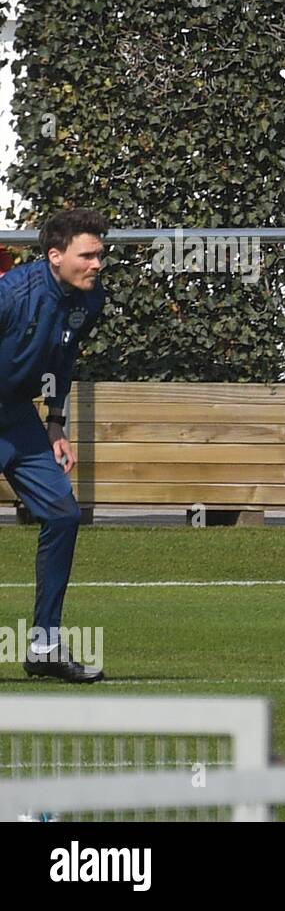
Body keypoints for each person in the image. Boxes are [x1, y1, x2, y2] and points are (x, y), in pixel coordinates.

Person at [0, 208, 109, 683]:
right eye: (87, 255)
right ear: (55, 255)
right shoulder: (11, 293)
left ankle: (44, 645)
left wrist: (56, 422)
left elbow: (60, 363)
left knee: (63, 514)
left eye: (100, 255)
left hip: (18, 417)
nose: (97, 264)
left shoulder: (90, 300)